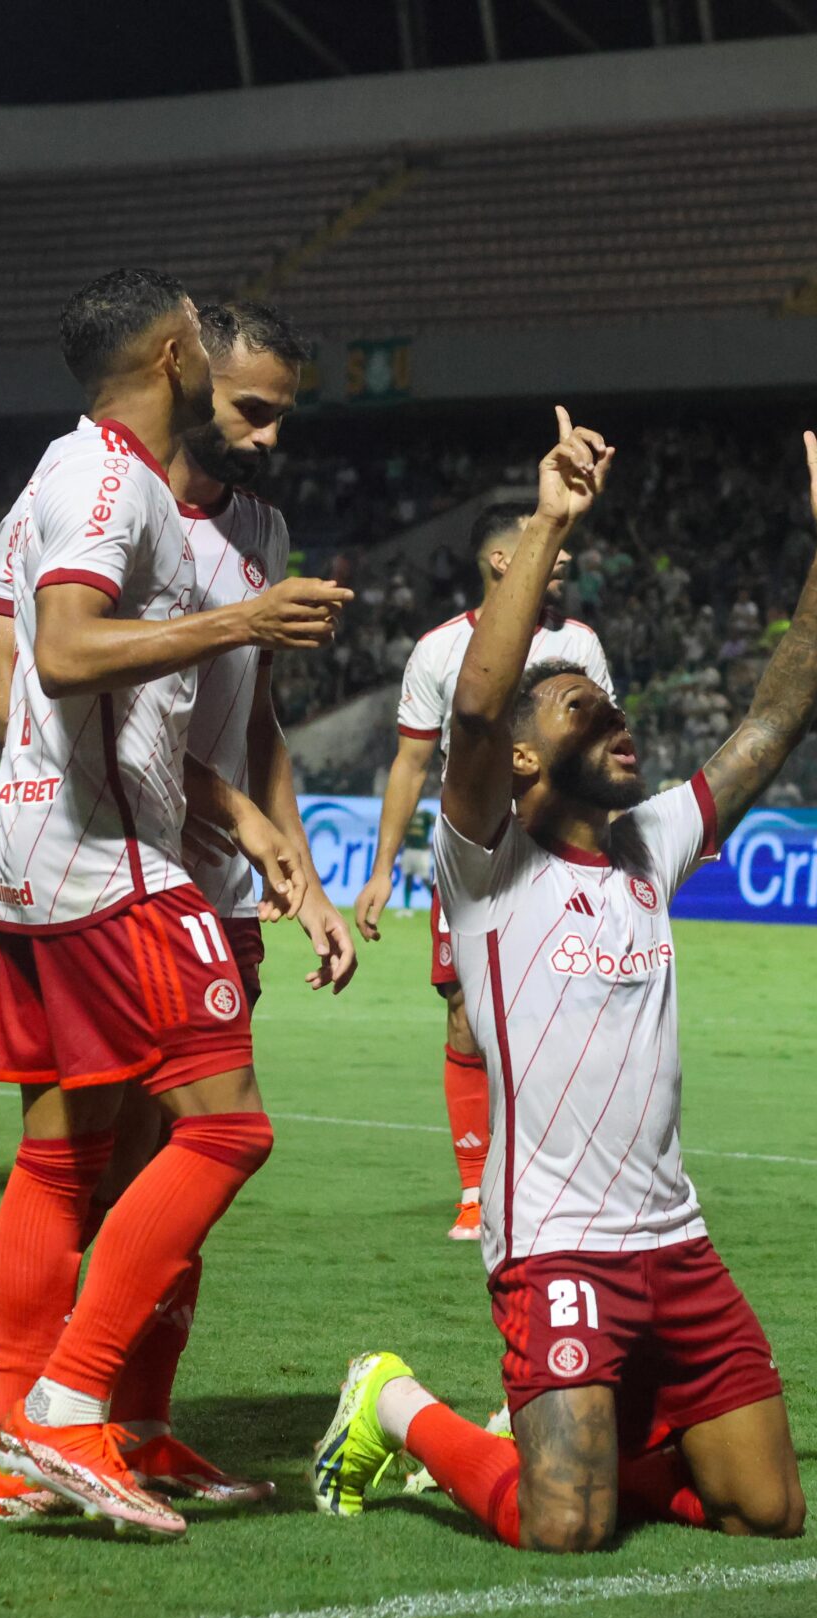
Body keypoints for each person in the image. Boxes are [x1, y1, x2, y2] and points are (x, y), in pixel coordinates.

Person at [312, 415, 817, 1551]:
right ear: (523, 758)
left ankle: (606, 1442)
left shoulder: (650, 844)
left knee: (768, 1512)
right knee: (565, 1527)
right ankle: (393, 1403)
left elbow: (771, 720)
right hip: (557, 1244)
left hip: (675, 1241)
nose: (621, 722)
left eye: (615, 708)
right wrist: (550, 525)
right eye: (585, 712)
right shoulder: (486, 862)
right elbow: (472, 711)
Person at [0, 268, 351, 1536]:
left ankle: (60, 1418)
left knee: (84, 1151)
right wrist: (236, 621)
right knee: (217, 1134)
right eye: (250, 398)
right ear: (184, 353)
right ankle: (62, 1403)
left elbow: (220, 723)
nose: (268, 431)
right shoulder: (110, 485)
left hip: (116, 849)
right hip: (113, 855)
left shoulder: (89, 477)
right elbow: (52, 660)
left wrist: (259, 831)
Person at [351, 504, 612, 1240]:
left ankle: (554, 1177)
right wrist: (379, 870)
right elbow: (408, 761)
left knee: (562, 1009)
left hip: (557, 850)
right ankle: (475, 1189)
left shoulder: (579, 644)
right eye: (548, 544)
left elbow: (606, 748)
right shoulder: (439, 650)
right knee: (465, 1016)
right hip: (471, 857)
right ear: (504, 561)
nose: (563, 555)